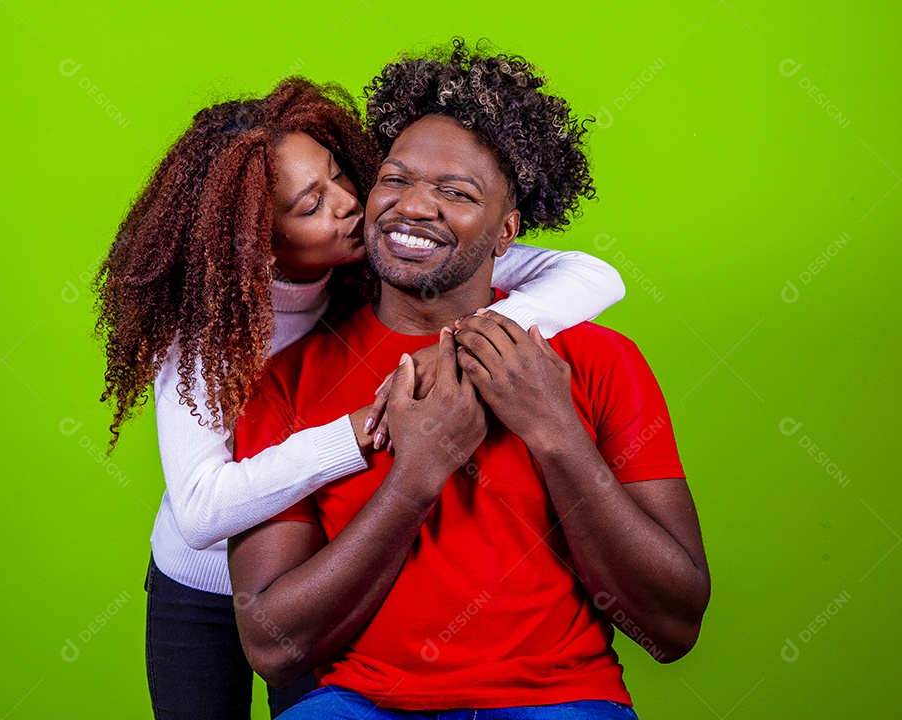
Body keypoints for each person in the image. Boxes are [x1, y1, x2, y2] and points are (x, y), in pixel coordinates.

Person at [92, 75, 627, 719]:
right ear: (257, 237)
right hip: (199, 584)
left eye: (340, 176)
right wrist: (362, 428)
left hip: (305, 568)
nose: (348, 204)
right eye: (310, 206)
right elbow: (203, 510)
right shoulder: (203, 331)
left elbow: (591, 274)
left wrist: (462, 343)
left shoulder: (381, 256)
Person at [228, 39, 710, 719]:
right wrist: (418, 472)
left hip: (562, 699)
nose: (413, 207)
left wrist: (554, 431)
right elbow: (275, 648)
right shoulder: (286, 379)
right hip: (361, 702)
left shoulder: (600, 361)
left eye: (456, 193)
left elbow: (673, 627)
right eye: (394, 179)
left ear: (506, 230)